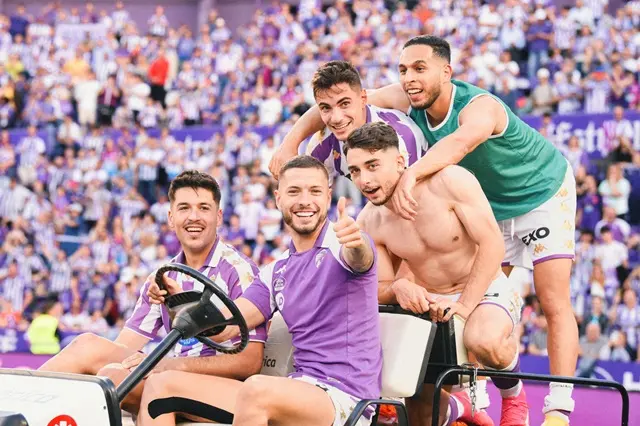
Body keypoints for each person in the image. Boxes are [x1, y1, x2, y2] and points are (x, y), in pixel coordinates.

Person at [276, 35, 577, 426]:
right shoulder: (406, 99)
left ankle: (557, 408)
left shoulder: (477, 107)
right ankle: (468, 400)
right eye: (403, 70)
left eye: (419, 68)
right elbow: (336, 105)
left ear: (446, 71)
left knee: (551, 300)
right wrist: (289, 143)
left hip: (540, 193)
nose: (409, 78)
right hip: (489, 204)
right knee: (469, 328)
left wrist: (411, 175)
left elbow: (460, 143)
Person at [137, 155, 381, 426]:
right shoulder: (276, 271)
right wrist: (179, 304)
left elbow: (360, 257)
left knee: (255, 389)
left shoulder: (343, 244)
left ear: (328, 196)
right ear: (278, 198)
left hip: (345, 399)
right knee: (161, 384)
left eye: (314, 191)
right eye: (294, 191)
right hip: (297, 388)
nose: (305, 201)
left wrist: (356, 244)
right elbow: (226, 326)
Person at [38, 170, 267, 415]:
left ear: (218, 216)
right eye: (184, 208)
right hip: (174, 378)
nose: (193, 217)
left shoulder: (238, 270)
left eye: (203, 208)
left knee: (113, 377)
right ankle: (20, 404)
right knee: (88, 346)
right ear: (170, 217)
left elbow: (249, 362)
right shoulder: (163, 277)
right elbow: (123, 346)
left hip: (220, 389)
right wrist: (159, 365)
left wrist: (168, 365)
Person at [344, 122, 527, 426]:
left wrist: (465, 305)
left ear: (400, 162)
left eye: (373, 165)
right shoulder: (369, 221)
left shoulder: (449, 181)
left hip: (486, 289)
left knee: (482, 339)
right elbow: (381, 286)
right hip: (432, 303)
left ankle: (514, 398)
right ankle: (459, 407)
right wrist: (399, 288)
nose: (364, 179)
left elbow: (492, 244)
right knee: (420, 414)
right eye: (355, 171)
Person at [271, 60, 427, 184]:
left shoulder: (399, 139)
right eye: (326, 108)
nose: (336, 118)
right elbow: (311, 195)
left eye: (345, 104)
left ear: (363, 99)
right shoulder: (323, 142)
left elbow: (408, 203)